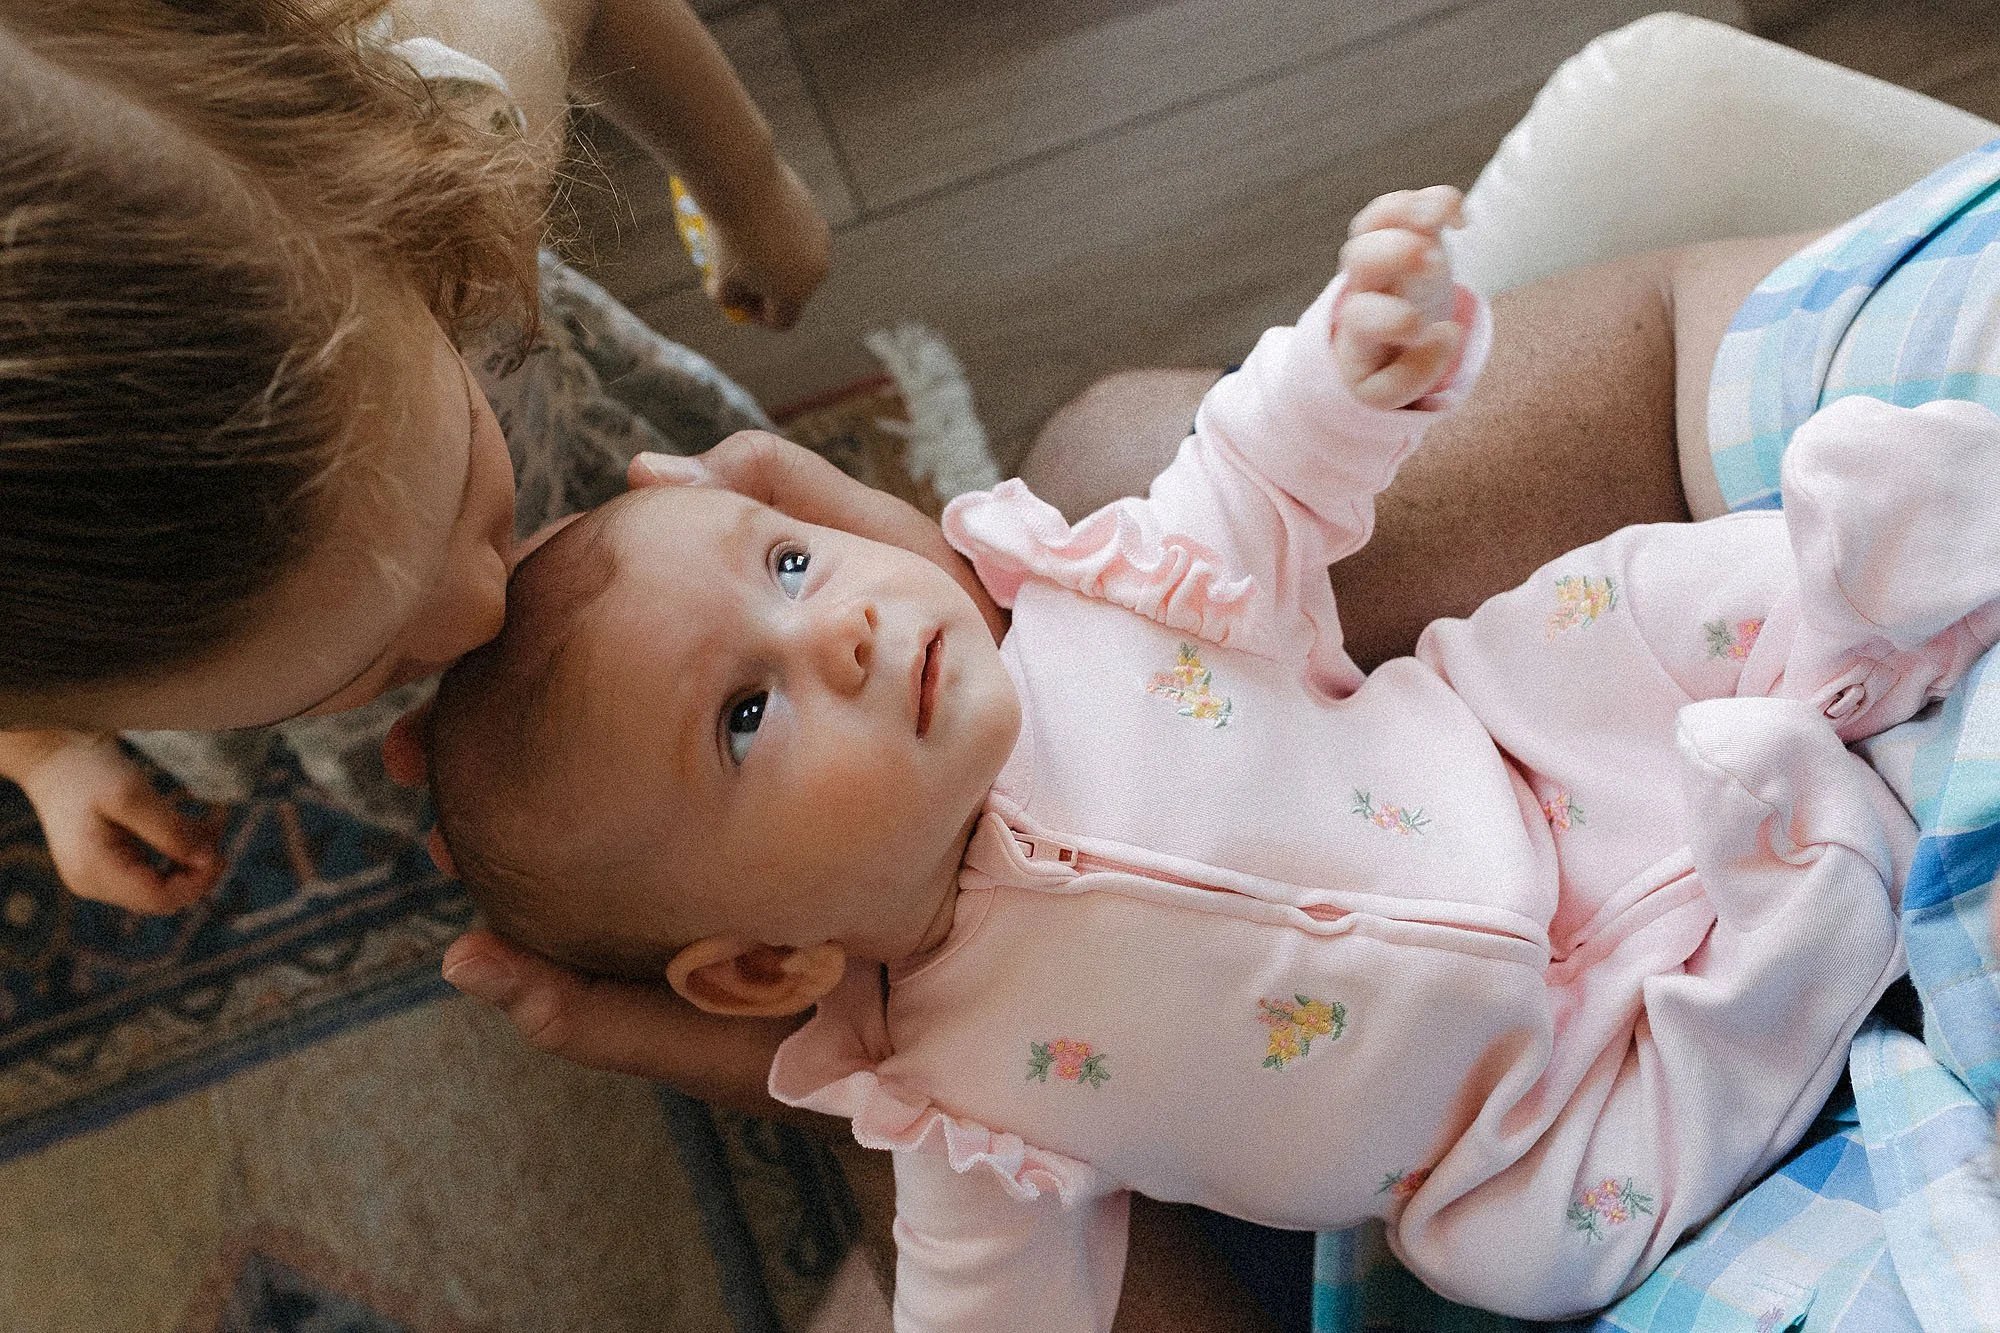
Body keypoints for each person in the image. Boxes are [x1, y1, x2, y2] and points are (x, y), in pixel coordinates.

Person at [422, 188, 1998, 1325]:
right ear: (765, 968)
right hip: (1533, 1104)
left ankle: (1891, 553)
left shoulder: (1092, 611)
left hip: (1538, 750)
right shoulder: (963, 1114)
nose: (830, 627)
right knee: (1527, 1250)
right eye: (745, 716)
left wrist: (1352, 356)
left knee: (1641, 600)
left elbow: (1246, 480)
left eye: (785, 563)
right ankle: (1812, 898)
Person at [0, 0, 862, 906]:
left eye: (456, 493)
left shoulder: (442, 133)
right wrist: (47, 754)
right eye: (364, 663)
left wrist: (751, 189)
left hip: (559, 428)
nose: (485, 614)